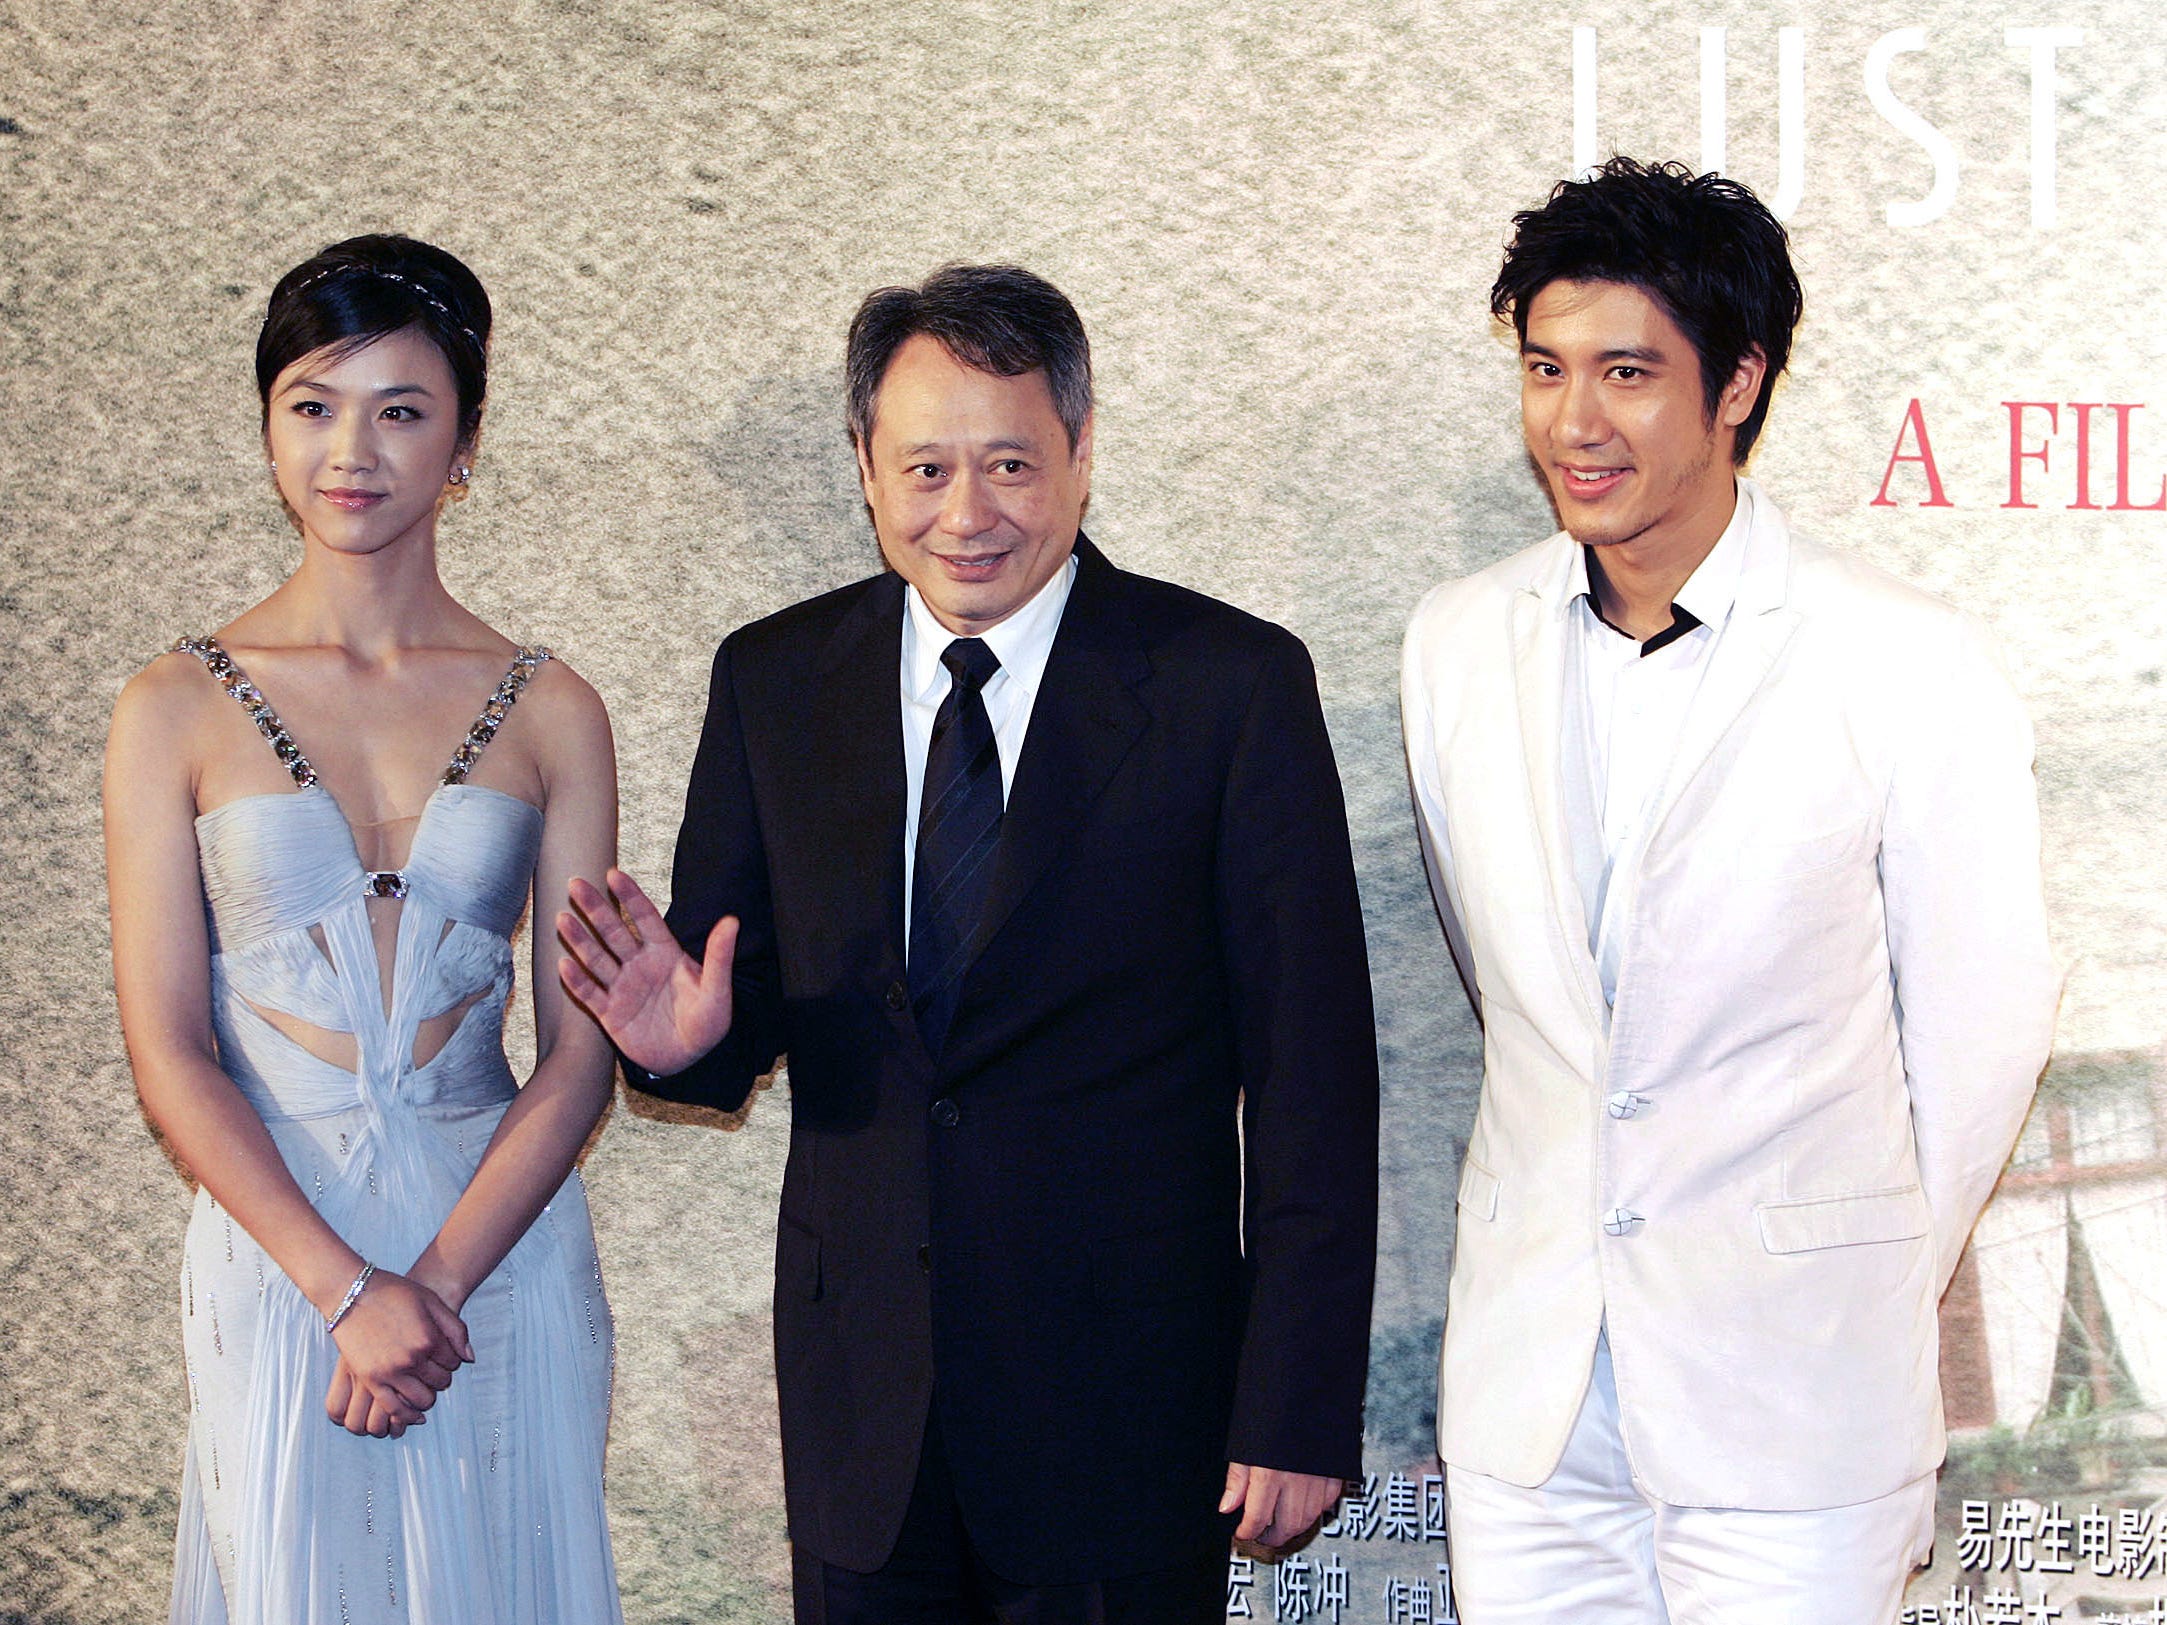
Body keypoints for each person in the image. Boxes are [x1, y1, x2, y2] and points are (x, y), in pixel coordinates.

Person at [559, 263, 1378, 1621]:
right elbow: (734, 999)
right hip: (863, 1409)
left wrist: (1294, 1398)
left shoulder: (1228, 685)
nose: (967, 511)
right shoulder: (774, 680)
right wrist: (688, 1047)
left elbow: (1313, 1074)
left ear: (1082, 448)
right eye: (926, 466)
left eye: (1009, 462)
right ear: (866, 471)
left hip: (1125, 1402)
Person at [1400, 158, 2060, 1622]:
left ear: (1741, 381)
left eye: (1629, 372)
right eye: (1546, 368)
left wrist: (1851, 1262)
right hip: (1534, 1400)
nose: (1577, 421)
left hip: (1797, 1398)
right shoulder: (1453, 644)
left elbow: (1983, 1026)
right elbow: (1514, 987)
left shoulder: (1902, 656)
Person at [105, 234, 624, 1624]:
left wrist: (435, 1287)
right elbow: (168, 1049)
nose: (354, 449)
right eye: (315, 405)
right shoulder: (173, 705)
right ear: (268, 426)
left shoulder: (555, 705)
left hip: (498, 1252)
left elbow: (579, 1056)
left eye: (403, 409)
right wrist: (348, 1292)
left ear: (464, 437)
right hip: (282, 1241)